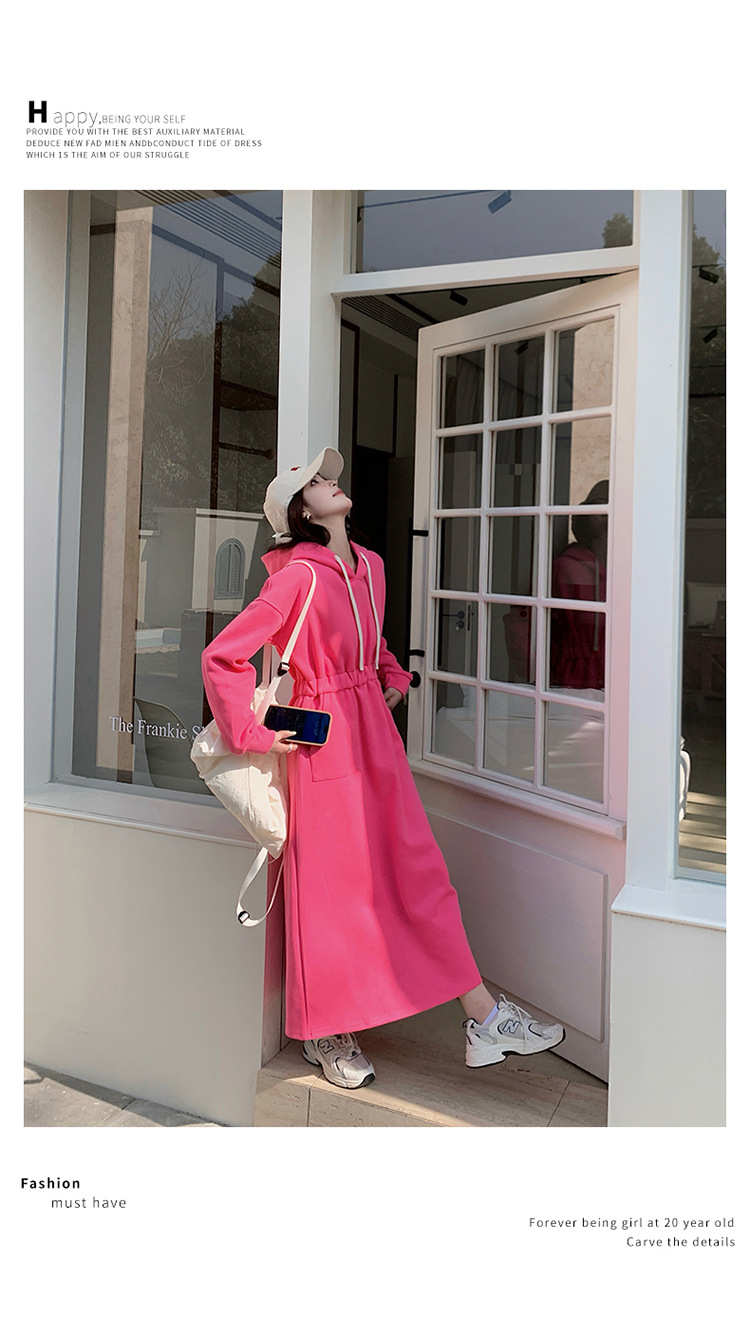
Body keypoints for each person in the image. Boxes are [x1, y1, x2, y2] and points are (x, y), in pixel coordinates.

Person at [201, 448, 564, 1090]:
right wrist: (252, 733)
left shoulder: (370, 566)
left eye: (329, 476)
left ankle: (483, 1017)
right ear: (300, 511)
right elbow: (223, 656)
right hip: (323, 740)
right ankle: (322, 1029)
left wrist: (390, 675)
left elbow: (372, 641)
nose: (330, 482)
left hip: (374, 731)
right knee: (330, 888)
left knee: (417, 870)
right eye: (316, 482)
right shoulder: (296, 577)